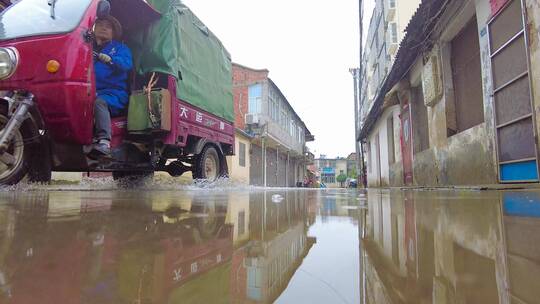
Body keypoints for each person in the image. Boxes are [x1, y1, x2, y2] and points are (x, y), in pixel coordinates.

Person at [89, 15, 133, 159]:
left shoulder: (120, 48)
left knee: (100, 102)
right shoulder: (88, 47)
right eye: (99, 24)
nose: (103, 27)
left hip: (114, 94)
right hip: (90, 92)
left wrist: (111, 60)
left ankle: (104, 141)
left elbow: (127, 64)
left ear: (113, 32)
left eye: (108, 26)